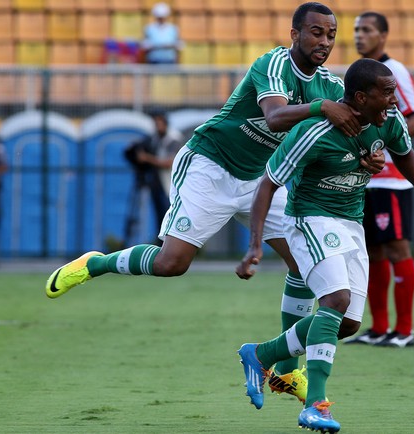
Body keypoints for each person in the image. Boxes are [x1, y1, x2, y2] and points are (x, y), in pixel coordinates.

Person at [45, 2, 367, 404]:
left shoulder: (332, 87)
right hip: (210, 166)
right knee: (170, 264)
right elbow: (274, 117)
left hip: (262, 179)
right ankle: (95, 263)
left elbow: (343, 135)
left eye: (331, 35)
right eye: (316, 32)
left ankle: (286, 372)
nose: (324, 42)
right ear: (294, 34)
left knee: (305, 263)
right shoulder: (273, 64)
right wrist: (322, 108)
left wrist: (367, 153)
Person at [235, 58, 414, 432]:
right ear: (361, 97)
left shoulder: (389, 122)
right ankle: (316, 405)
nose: (394, 101)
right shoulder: (315, 131)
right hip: (309, 218)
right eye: (387, 93)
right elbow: (267, 183)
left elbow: (405, 151)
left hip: (351, 223)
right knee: (336, 301)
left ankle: (262, 353)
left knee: (346, 323)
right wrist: (255, 244)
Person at [345, 11, 414, 348]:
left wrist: (381, 142)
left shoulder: (394, 72)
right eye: (355, 30)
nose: (359, 35)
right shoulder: (361, 75)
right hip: (367, 178)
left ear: (383, 35)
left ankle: (404, 330)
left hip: (392, 178)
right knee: (373, 252)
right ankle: (379, 328)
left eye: (367, 30)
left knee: (396, 248)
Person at [122, 111, 182, 245]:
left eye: (160, 123)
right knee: (159, 217)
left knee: (169, 216)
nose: (157, 126)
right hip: (156, 183)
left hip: (169, 185)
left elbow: (169, 163)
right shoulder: (154, 138)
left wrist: (147, 158)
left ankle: (170, 245)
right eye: (156, 123)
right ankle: (160, 244)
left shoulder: (174, 139)